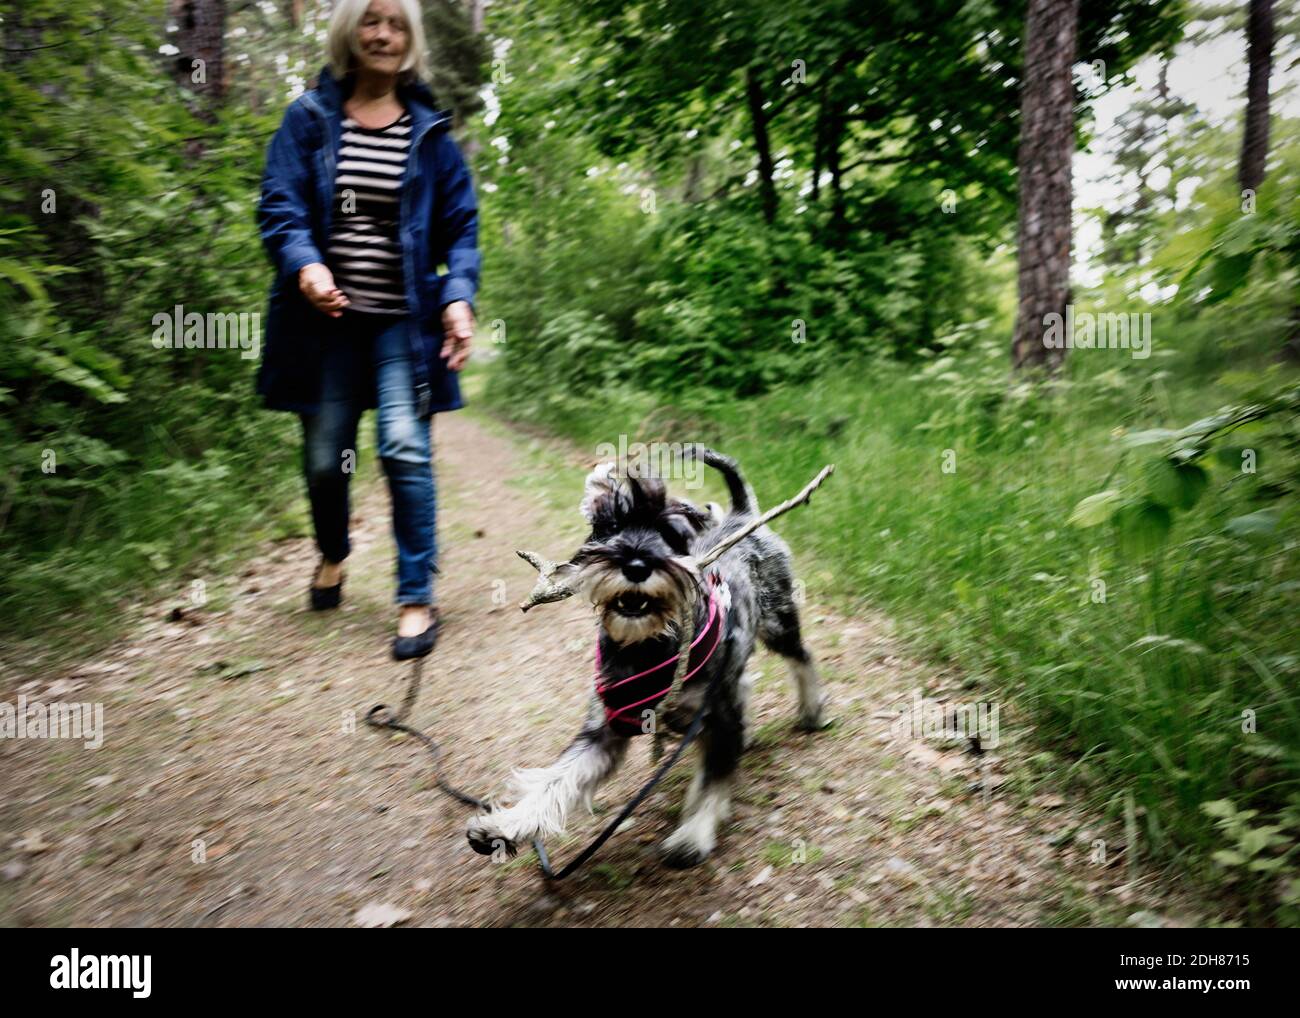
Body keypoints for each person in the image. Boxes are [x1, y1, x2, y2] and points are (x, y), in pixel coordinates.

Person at [256, 0, 478, 659]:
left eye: (397, 22)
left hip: (402, 326)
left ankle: (415, 596)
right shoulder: (309, 119)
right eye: (371, 19)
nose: (383, 34)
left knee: (405, 448)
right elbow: (280, 204)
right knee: (326, 462)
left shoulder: (430, 132)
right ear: (348, 30)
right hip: (325, 324)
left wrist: (458, 296)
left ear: (410, 39)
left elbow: (461, 228)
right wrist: (305, 265)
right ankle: (333, 552)